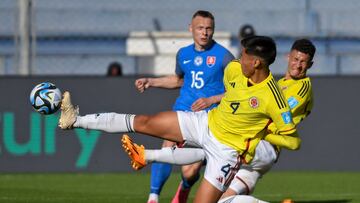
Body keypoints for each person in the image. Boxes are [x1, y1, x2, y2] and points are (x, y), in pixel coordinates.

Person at [58, 36, 301, 203]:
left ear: (257, 62)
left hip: (227, 152)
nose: (240, 59)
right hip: (204, 123)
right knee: (145, 122)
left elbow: (293, 141)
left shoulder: (273, 97)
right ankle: (75, 120)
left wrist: (260, 134)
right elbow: (235, 95)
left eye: (244, 56)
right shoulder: (234, 69)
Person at [125, 38, 315, 203]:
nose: (297, 65)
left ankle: (147, 156)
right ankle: (149, 158)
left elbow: (277, 117)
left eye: (303, 62)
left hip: (263, 146)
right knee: (221, 199)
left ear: (310, 65)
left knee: (210, 142)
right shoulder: (278, 83)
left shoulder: (301, 89)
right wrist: (213, 100)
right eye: (296, 59)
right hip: (252, 150)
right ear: (287, 57)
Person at [134, 10, 234, 203]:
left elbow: (237, 91)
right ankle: (153, 197)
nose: (204, 32)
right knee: (166, 146)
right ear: (191, 29)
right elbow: (179, 81)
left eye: (208, 29)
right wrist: (151, 82)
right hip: (182, 110)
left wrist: (212, 99)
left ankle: (185, 186)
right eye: (200, 28)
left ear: (213, 31)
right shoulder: (183, 54)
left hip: (208, 119)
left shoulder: (224, 56)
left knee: (190, 172)